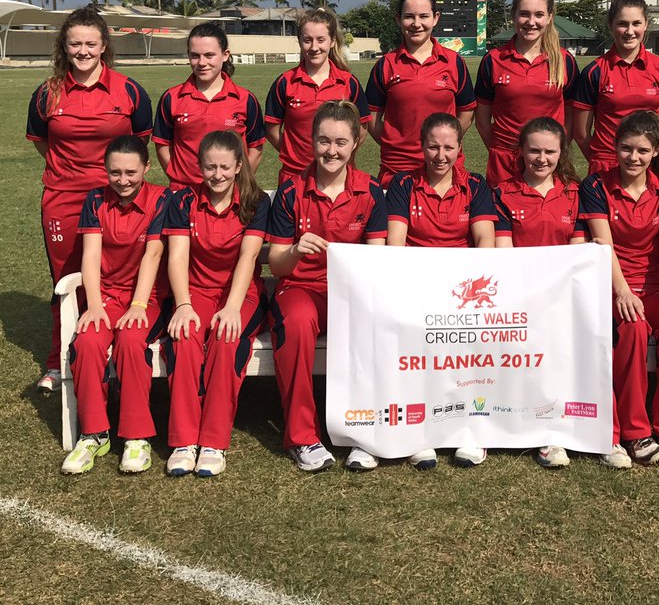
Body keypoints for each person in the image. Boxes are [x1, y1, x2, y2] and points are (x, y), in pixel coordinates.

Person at [27, 7, 153, 393]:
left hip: (116, 198)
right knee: (66, 281)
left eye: (90, 44)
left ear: (104, 47)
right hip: (63, 201)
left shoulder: (129, 90)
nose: (83, 51)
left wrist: (112, 181)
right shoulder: (47, 93)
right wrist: (71, 175)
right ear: (64, 47)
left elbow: (138, 145)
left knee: (118, 278)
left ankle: (118, 353)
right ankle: (59, 360)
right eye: (75, 43)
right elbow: (43, 144)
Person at [266, 101, 387, 472]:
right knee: (297, 321)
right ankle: (303, 436)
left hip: (351, 291)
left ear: (355, 144)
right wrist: (296, 250)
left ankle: (363, 431)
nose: (330, 151)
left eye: (339, 142)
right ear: (311, 141)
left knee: (375, 323)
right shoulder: (291, 192)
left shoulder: (370, 192)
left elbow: (376, 261)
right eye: (323, 141)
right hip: (301, 288)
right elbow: (275, 263)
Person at [383, 112, 497, 471]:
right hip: (417, 289)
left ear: (460, 148)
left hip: (462, 293)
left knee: (469, 351)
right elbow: (396, 244)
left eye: (448, 147)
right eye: (433, 146)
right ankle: (422, 432)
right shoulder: (403, 186)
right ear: (421, 147)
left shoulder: (476, 186)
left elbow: (485, 242)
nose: (440, 155)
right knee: (415, 346)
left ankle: (470, 428)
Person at [580, 112, 659, 470]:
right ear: (614, 147)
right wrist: (623, 292)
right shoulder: (595, 186)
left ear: (656, 150)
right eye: (626, 148)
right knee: (631, 329)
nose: (633, 157)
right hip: (613, 285)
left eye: (642, 150)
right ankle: (635, 430)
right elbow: (603, 243)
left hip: (656, 285)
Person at [162, 131, 270, 477]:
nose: (218, 175)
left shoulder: (255, 201)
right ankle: (183, 441)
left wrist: (233, 307)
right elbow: (177, 258)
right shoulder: (183, 201)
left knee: (226, 338)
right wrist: (182, 305)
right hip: (195, 294)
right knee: (185, 337)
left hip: (241, 295)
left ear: (239, 166)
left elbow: (249, 256)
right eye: (210, 167)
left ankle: (213, 441)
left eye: (225, 167)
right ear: (200, 167)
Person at [61, 135, 170, 475]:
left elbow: (154, 254)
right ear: (105, 170)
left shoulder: (161, 199)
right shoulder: (94, 200)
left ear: (146, 168)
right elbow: (90, 256)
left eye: (131, 173)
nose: (123, 180)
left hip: (147, 296)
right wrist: (93, 306)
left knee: (130, 339)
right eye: (115, 172)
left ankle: (137, 436)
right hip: (106, 294)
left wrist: (138, 304)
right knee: (89, 341)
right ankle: (94, 433)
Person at [492, 117, 585, 469]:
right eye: (534, 150)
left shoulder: (575, 193)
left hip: (561, 297)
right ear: (521, 151)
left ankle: (559, 429)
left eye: (549, 151)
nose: (541, 158)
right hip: (518, 297)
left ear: (562, 154)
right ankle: (523, 428)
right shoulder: (502, 192)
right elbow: (503, 253)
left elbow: (577, 254)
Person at [365, 0, 476, 185]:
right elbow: (371, 117)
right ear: (398, 19)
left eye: (424, 16)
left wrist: (446, 142)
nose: (416, 24)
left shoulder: (454, 62)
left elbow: (467, 112)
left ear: (436, 18)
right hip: (397, 169)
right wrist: (395, 144)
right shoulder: (385, 64)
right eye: (409, 17)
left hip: (444, 167)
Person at [474, 0, 579, 185]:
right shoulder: (493, 60)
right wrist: (500, 151)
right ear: (514, 15)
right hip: (504, 164)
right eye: (524, 14)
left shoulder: (564, 62)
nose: (531, 22)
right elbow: (482, 121)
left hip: (546, 162)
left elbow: (571, 120)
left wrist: (552, 152)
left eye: (539, 14)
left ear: (549, 17)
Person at [572, 0, 659, 176]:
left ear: (646, 24)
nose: (630, 31)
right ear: (611, 26)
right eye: (622, 24)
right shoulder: (594, 72)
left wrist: (652, 160)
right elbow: (581, 133)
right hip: (606, 166)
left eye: (636, 23)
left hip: (647, 165)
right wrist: (600, 161)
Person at [265, 8, 371, 185]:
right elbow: (271, 130)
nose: (314, 47)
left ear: (332, 42)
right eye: (307, 40)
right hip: (295, 177)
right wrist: (294, 154)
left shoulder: (348, 83)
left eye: (321, 40)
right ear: (299, 41)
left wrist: (338, 156)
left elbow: (362, 128)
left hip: (338, 176)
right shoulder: (284, 83)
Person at [153, 22, 264, 190]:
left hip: (229, 192)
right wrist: (178, 178)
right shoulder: (172, 98)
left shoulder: (245, 99)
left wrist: (237, 182)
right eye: (195, 55)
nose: (202, 62)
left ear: (225, 55)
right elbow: (162, 144)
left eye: (209, 55)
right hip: (185, 191)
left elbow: (255, 148)